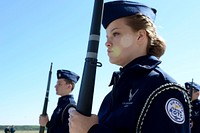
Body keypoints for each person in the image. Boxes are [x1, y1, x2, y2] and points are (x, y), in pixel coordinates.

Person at [68, 1, 191, 133]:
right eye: (107, 36)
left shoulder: (162, 87)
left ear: (140, 36)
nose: (107, 43)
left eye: (116, 34)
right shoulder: (112, 95)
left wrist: (92, 130)